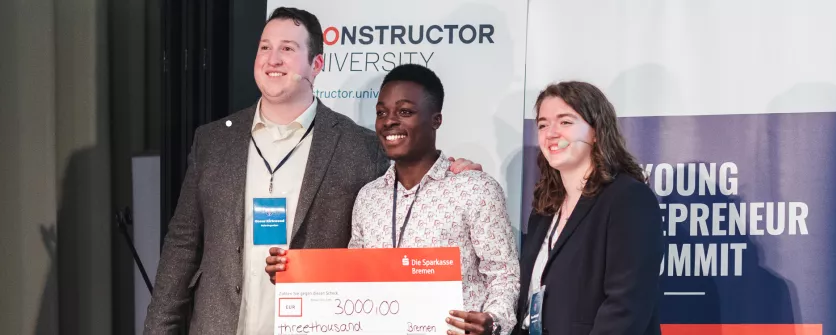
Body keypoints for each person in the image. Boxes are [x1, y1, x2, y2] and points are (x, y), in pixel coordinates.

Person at [143, 7, 480, 335]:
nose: (272, 59)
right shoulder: (214, 140)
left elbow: (406, 206)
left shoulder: (360, 147)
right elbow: (183, 244)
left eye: (287, 49)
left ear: (317, 64)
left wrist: (451, 174)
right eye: (265, 48)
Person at [266, 64, 519, 335]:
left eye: (405, 112)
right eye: (381, 113)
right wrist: (293, 276)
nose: (388, 121)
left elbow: (503, 275)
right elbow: (353, 281)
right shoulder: (368, 197)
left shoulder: (475, 189)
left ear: (436, 119)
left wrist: (492, 322)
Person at [512, 81, 663, 334]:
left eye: (565, 122)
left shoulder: (628, 199)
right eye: (543, 124)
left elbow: (625, 307)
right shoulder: (544, 210)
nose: (551, 133)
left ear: (596, 132)